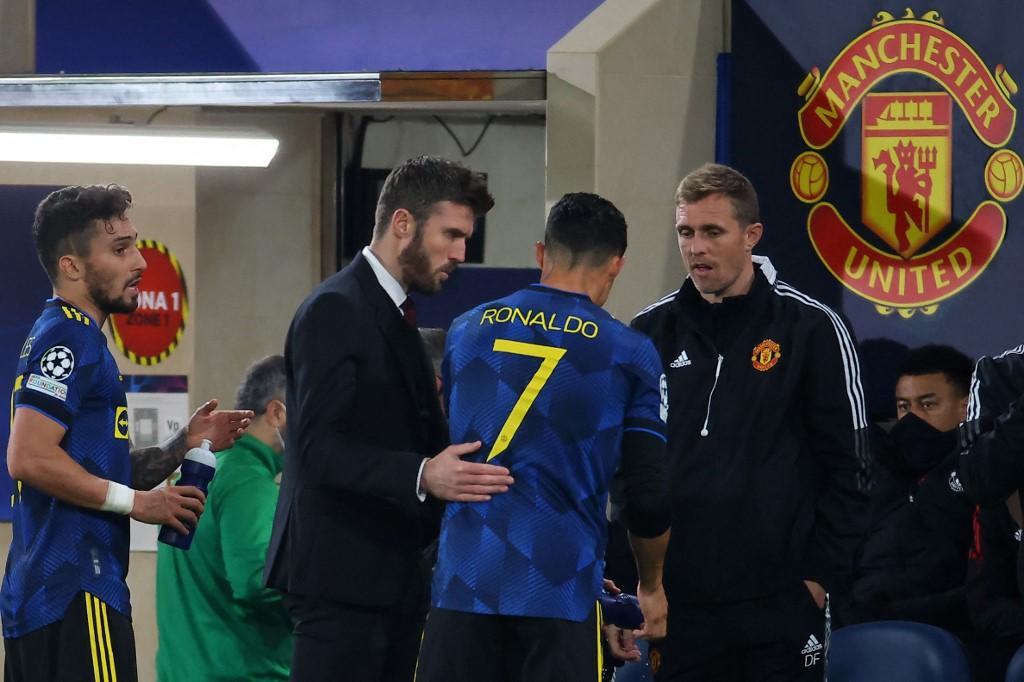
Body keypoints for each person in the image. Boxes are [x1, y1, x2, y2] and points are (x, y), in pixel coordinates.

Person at [264, 156, 514, 682]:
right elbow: (316, 449)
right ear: (403, 223)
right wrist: (423, 473)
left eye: (465, 239)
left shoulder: (395, 314)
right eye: (451, 235)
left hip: (388, 581)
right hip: (340, 582)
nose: (460, 254)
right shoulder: (336, 308)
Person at [628, 163, 871, 681]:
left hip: (780, 601)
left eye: (713, 232)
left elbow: (852, 467)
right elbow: (626, 468)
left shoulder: (811, 327)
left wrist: (818, 578)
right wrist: (640, 582)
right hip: (679, 602)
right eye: (686, 232)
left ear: (751, 235)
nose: (696, 248)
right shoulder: (647, 332)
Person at [416, 192, 671, 682]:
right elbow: (646, 497)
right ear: (616, 264)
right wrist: (650, 584)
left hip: (461, 590)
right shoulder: (628, 352)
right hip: (558, 591)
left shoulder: (466, 331)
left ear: (540, 253)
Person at [2, 184, 252, 682]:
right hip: (78, 591)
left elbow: (93, 466)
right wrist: (139, 504)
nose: (139, 262)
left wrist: (181, 445)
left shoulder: (71, 336)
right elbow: (28, 457)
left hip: (44, 596)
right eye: (120, 250)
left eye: (135, 245)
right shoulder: (69, 337)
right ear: (72, 266)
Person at [156, 354, 292, 682]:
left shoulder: (198, 472)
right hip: (240, 674)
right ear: (276, 413)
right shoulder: (247, 481)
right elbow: (256, 581)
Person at [841, 345, 975, 628]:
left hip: (949, 633)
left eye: (928, 405)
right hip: (858, 627)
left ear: (966, 408)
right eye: (904, 407)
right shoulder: (869, 474)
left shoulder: (985, 476)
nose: (913, 419)